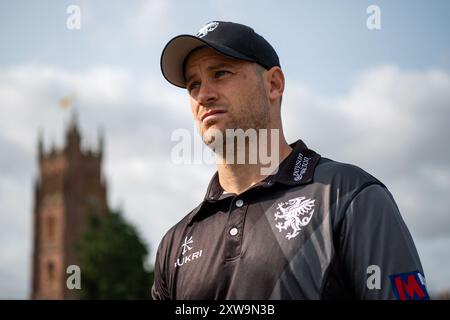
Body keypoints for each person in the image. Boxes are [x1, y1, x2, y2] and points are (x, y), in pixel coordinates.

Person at [152, 21, 429, 300]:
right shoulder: (175, 243)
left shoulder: (350, 196)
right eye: (193, 84)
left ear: (274, 84)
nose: (203, 95)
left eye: (220, 73)